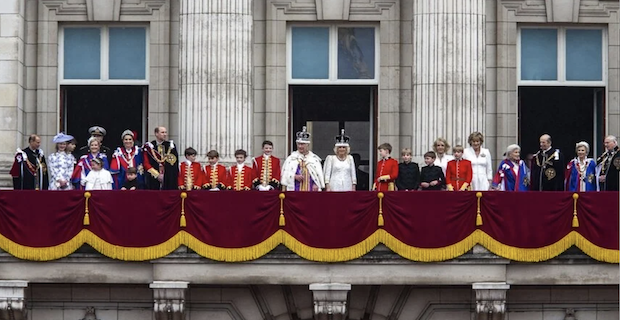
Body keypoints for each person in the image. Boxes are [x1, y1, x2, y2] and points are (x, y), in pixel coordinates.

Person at [281, 126, 325, 191]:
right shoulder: (291, 159)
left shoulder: (314, 159)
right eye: (298, 144)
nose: (300, 146)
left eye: (302, 144)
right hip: (295, 189)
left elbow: (317, 176)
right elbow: (285, 175)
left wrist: (316, 184)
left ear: (307, 145)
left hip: (310, 191)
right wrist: (294, 176)